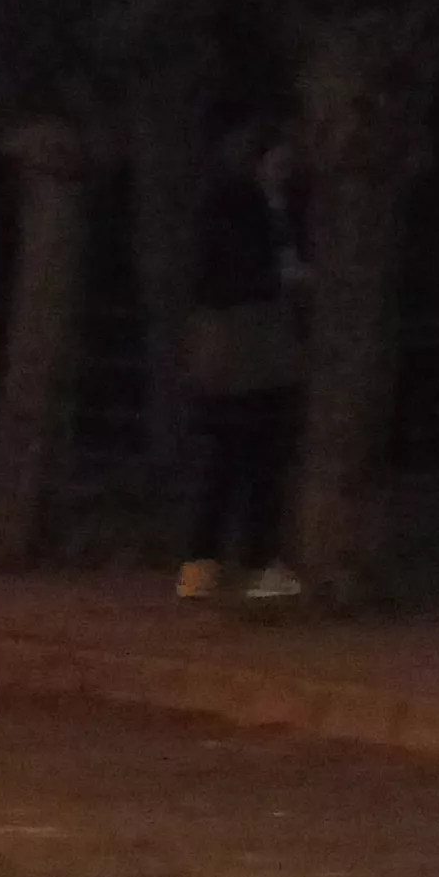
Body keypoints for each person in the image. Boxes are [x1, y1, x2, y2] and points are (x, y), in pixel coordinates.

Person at [173, 127, 301, 603]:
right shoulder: (251, 211)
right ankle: (259, 564)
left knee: (225, 460)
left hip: (226, 349)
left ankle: (199, 568)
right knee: (258, 457)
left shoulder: (226, 207)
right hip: (253, 348)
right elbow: (259, 276)